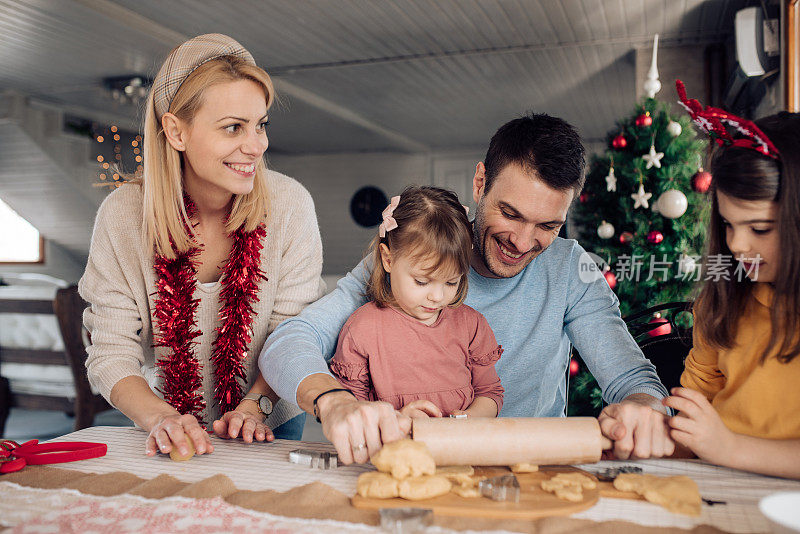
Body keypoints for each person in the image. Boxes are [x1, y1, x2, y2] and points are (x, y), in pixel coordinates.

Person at [260, 112, 673, 464]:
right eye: (510, 214)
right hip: (417, 463)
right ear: (480, 183)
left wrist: (642, 406)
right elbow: (289, 341)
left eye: (548, 226)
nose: (524, 242)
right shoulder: (411, 259)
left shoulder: (571, 269)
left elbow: (633, 379)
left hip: (533, 469)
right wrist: (335, 401)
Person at [79, 34, 325, 457]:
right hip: (167, 424)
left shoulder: (290, 205)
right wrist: (160, 417)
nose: (257, 145)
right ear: (176, 131)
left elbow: (294, 334)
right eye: (233, 127)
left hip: (270, 418)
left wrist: (255, 406)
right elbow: (110, 352)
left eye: (260, 124)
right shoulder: (123, 215)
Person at [663, 84, 800, 479]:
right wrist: (649, 430)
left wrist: (729, 448)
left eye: (759, 228)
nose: (737, 245)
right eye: (727, 224)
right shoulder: (722, 302)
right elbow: (693, 419)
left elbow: (716, 443)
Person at [330, 186, 504, 420]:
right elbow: (349, 410)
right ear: (388, 258)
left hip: (460, 453)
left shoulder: (471, 325)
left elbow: (489, 393)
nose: (437, 296)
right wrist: (397, 419)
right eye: (422, 281)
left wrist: (463, 423)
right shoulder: (363, 329)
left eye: (451, 282)